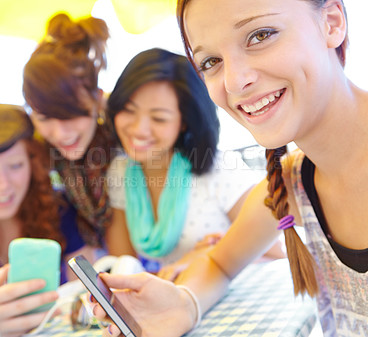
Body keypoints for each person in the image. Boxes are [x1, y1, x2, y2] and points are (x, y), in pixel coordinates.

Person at [92, 0, 368, 336]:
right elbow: (219, 264)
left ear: (333, 23)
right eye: (210, 62)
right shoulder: (293, 180)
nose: (235, 81)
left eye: (260, 35)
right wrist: (184, 305)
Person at [105, 48, 283, 280]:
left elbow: (277, 256)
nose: (139, 129)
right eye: (128, 111)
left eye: (158, 118)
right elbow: (124, 270)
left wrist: (210, 258)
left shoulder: (220, 170)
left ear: (184, 122)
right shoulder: (120, 173)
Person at [0, 102, 94, 336]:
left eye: (15, 165)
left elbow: (88, 294)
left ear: (32, 163)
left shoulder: (61, 211)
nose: (2, 185)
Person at [22, 13, 135, 256]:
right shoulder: (38, 154)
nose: (61, 133)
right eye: (44, 118)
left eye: (71, 114)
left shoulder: (129, 138)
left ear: (98, 100)